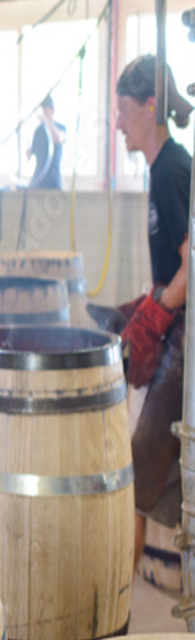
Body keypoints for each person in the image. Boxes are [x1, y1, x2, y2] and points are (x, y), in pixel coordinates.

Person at [113, 55, 193, 568]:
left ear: (149, 106)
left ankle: (114, 596)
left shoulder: (173, 169)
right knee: (145, 464)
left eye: (123, 109)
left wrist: (159, 309)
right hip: (177, 320)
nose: (117, 121)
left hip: (187, 333)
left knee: (137, 464)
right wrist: (152, 298)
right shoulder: (162, 168)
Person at [26, 94, 65, 189]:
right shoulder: (38, 131)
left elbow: (59, 139)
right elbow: (30, 155)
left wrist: (48, 122)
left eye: (46, 110)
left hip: (53, 181)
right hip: (39, 180)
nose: (44, 113)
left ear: (52, 111)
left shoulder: (60, 128)